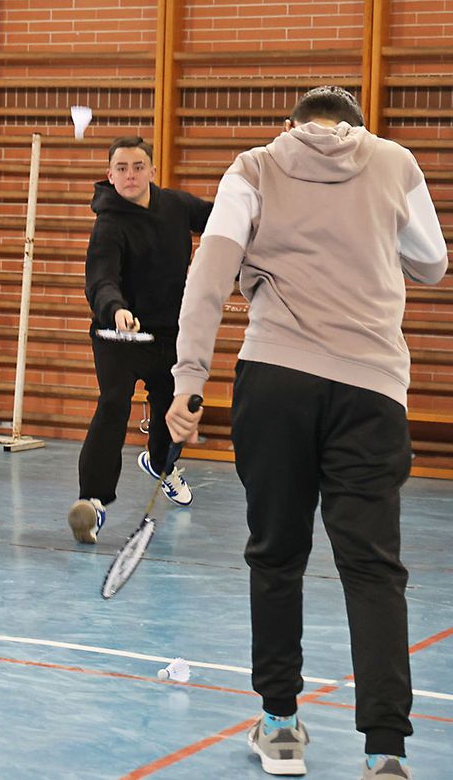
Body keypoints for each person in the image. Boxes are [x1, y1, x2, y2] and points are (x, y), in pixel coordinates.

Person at [166, 87, 445, 780]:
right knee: (374, 568)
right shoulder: (395, 162)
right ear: (356, 127)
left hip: (277, 380)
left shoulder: (255, 165)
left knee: (276, 555)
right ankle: (385, 751)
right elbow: (433, 263)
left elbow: (210, 273)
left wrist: (188, 378)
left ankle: (282, 728)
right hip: (372, 390)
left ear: (291, 125)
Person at [68, 136, 211, 544]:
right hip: (119, 334)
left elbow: (224, 222)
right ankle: (91, 503)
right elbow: (100, 279)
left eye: (137, 166)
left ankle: (163, 465)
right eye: (122, 168)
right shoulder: (109, 224)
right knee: (113, 404)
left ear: (152, 171)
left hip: (169, 333)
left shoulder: (177, 207)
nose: (130, 175)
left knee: (173, 406)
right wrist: (116, 308)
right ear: (110, 175)